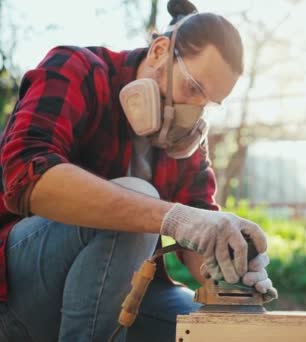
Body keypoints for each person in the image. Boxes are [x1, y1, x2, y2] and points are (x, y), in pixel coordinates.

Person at [0, 0, 277, 341]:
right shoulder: (77, 69)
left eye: (206, 104)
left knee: (210, 330)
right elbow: (27, 176)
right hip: (14, 294)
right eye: (192, 88)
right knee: (135, 200)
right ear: (160, 50)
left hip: (124, 295)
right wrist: (170, 217)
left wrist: (231, 264)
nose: (193, 111)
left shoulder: (185, 140)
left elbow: (198, 225)